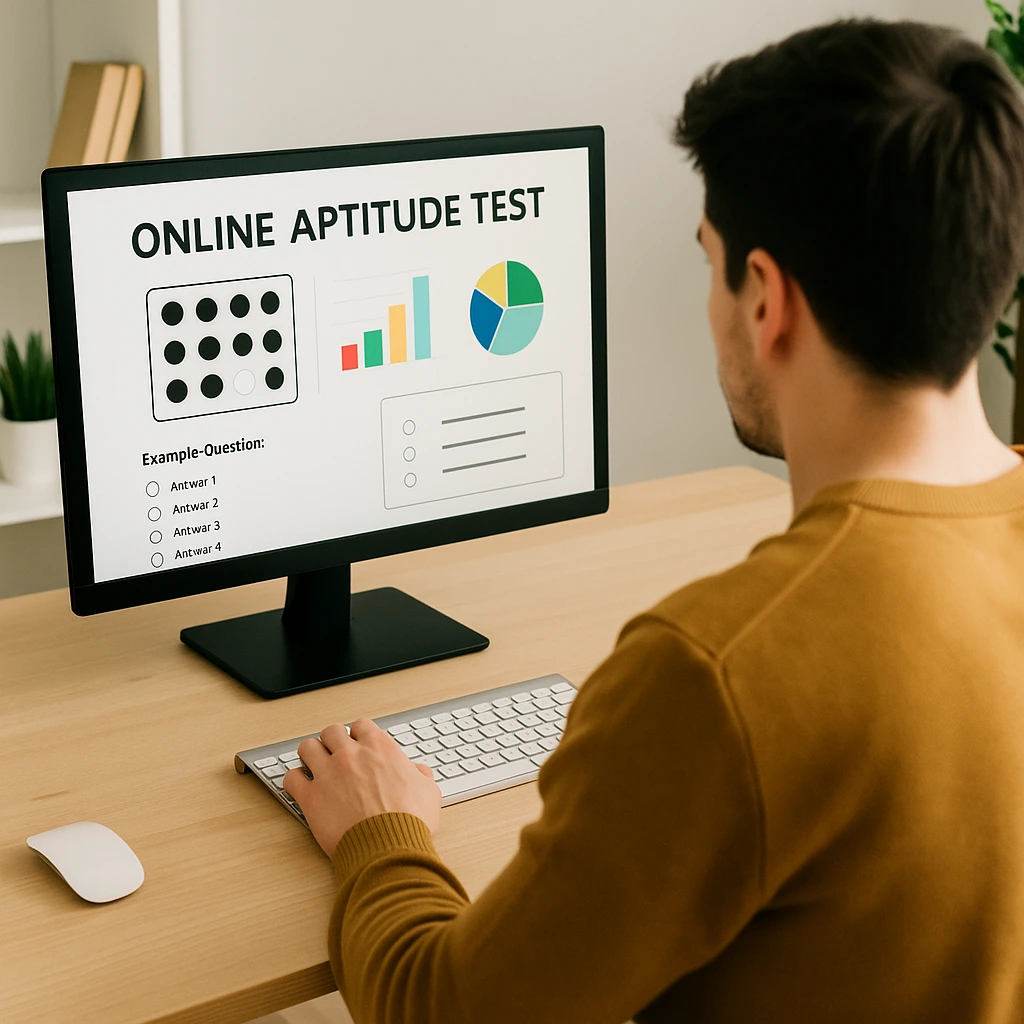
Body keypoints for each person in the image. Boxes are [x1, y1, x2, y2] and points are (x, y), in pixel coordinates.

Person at [283, 18, 1024, 1023]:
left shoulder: (714, 672)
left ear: (765, 300)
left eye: (708, 257)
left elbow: (442, 1010)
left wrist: (382, 831)